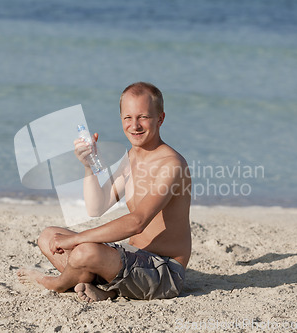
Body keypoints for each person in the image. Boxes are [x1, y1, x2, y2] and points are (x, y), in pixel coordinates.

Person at [17, 82, 192, 301]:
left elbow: (137, 222)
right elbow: (96, 206)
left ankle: (56, 283)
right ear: (121, 120)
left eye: (143, 117)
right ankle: (104, 289)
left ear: (160, 119)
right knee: (48, 236)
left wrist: (76, 240)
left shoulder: (171, 164)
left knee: (83, 251)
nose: (135, 125)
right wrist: (88, 165)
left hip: (164, 271)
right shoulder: (131, 159)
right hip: (130, 257)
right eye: (128, 118)